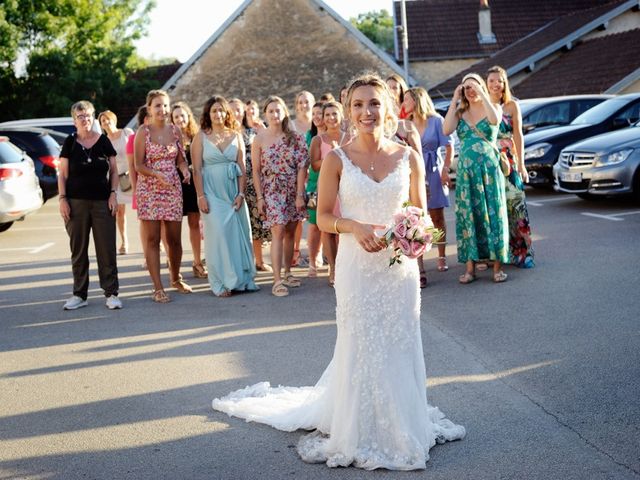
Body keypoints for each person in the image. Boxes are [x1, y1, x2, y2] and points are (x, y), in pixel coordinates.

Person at [213, 74, 465, 470]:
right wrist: (355, 227)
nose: (367, 112)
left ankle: (403, 422)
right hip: (356, 266)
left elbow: (423, 216)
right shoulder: (336, 159)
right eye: (359, 105)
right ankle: (360, 426)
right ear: (349, 112)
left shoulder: (408, 157)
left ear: (388, 108)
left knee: (399, 341)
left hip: (398, 271)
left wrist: (416, 238)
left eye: (375, 103)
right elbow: (324, 216)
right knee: (361, 341)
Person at [443, 73, 509, 283]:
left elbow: (494, 120)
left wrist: (481, 91)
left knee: (493, 215)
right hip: (466, 174)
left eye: (474, 87)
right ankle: (470, 268)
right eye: (466, 89)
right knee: (468, 216)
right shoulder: (460, 112)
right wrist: (455, 98)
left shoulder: (494, 107)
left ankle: (497, 267)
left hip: (489, 172)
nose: (470, 92)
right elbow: (446, 129)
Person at [58, 101, 122, 310]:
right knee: (78, 250)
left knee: (107, 249)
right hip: (75, 204)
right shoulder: (69, 143)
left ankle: (111, 293)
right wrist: (62, 199)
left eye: (88, 116)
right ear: (74, 120)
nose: (84, 119)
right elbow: (63, 175)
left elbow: (113, 171)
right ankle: (79, 294)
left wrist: (113, 194)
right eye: (80, 116)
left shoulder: (103, 141)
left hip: (103, 202)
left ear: (93, 117)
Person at [191, 96, 257, 297]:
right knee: (218, 235)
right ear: (207, 115)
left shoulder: (235, 135)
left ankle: (240, 280)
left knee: (237, 236)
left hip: (233, 193)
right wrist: (201, 196)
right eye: (214, 111)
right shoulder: (200, 137)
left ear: (226, 113)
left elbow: (243, 169)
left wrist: (240, 194)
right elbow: (197, 170)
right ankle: (220, 283)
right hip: (211, 193)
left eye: (221, 110)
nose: (218, 114)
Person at [134, 89, 193, 303]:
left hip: (173, 189)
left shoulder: (175, 130)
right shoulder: (143, 131)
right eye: (158, 105)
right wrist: (156, 174)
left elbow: (180, 159)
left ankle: (175, 278)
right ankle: (157, 287)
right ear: (149, 108)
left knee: (174, 240)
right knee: (152, 239)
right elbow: (138, 165)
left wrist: (185, 170)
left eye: (165, 105)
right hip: (149, 190)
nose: (163, 109)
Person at [251, 96, 307, 297]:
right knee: (278, 230)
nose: (275, 114)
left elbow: (302, 166)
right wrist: (259, 197)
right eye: (271, 111)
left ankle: (288, 272)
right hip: (271, 189)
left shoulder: (295, 137)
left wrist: (300, 194)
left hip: (293, 188)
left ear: (284, 112)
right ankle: (276, 280)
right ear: (265, 114)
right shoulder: (259, 138)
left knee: (291, 232)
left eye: (278, 110)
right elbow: (255, 171)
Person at [403, 87, 454, 286]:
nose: (403, 103)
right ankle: (420, 264)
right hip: (414, 172)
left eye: (406, 99)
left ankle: (441, 255)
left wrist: (446, 169)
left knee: (437, 216)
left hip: (434, 170)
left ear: (417, 100)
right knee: (415, 217)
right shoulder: (406, 124)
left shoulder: (437, 121)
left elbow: (448, 145)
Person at [486, 65, 534, 268]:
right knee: (493, 209)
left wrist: (522, 165)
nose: (496, 84)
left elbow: (518, 135)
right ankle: (497, 254)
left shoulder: (512, 106)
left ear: (505, 83)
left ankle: (523, 253)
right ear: (485, 85)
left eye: (500, 80)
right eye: (491, 81)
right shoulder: (482, 106)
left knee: (516, 205)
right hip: (489, 162)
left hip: (510, 162)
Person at [309, 101, 351, 286]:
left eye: (334, 114)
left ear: (341, 115)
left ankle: (344, 267)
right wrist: (331, 157)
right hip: (327, 186)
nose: (331, 118)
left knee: (344, 228)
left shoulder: (350, 137)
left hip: (347, 187)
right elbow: (314, 164)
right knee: (327, 229)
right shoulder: (318, 140)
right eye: (327, 115)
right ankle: (332, 267)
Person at [230, 98, 272, 272]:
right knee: (235, 223)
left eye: (238, 110)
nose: (235, 113)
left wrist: (263, 130)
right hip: (232, 182)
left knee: (256, 222)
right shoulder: (225, 133)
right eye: (231, 110)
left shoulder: (252, 131)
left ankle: (259, 261)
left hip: (253, 182)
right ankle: (239, 262)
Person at [171, 101, 207, 279]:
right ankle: (173, 263)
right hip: (173, 185)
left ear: (188, 117)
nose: (179, 119)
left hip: (193, 185)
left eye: (182, 115)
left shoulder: (197, 136)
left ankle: (197, 262)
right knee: (172, 227)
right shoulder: (168, 137)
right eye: (176, 116)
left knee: (194, 224)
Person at [98, 110, 134, 255]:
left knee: (144, 212)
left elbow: (137, 150)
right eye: (103, 121)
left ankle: (157, 242)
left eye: (108, 119)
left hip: (133, 175)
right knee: (119, 212)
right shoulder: (103, 141)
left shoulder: (127, 132)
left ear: (114, 119)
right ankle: (124, 242)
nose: (106, 122)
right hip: (117, 179)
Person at [291, 91, 315, 268]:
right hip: (296, 175)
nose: (303, 105)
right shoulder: (291, 126)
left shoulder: (316, 124)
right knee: (298, 217)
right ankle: (296, 252)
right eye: (300, 102)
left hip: (314, 174)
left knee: (315, 216)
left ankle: (316, 253)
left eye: (306, 102)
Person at [304, 101, 326, 277]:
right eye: (314, 113)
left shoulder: (332, 135)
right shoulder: (309, 136)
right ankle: (312, 260)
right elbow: (305, 163)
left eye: (320, 113)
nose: (317, 117)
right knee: (313, 224)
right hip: (313, 185)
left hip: (334, 184)